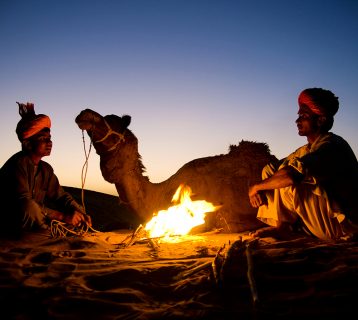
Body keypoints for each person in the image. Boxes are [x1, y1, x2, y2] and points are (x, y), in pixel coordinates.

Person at [248, 88, 358, 241]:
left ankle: (284, 229)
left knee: (289, 176)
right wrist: (263, 184)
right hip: (319, 221)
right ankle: (283, 227)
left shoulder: (332, 145)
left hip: (342, 227)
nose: (297, 121)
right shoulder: (306, 149)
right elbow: (274, 169)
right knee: (271, 170)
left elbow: (290, 175)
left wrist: (255, 188)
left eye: (303, 116)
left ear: (321, 120)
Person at [0, 102, 92, 239]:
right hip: (11, 221)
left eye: (49, 138)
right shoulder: (17, 165)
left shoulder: (46, 169)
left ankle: (49, 232)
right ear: (27, 144)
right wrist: (62, 216)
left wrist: (78, 211)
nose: (49, 143)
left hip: (37, 221)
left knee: (77, 214)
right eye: (43, 139)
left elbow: (60, 196)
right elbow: (25, 204)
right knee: (28, 206)